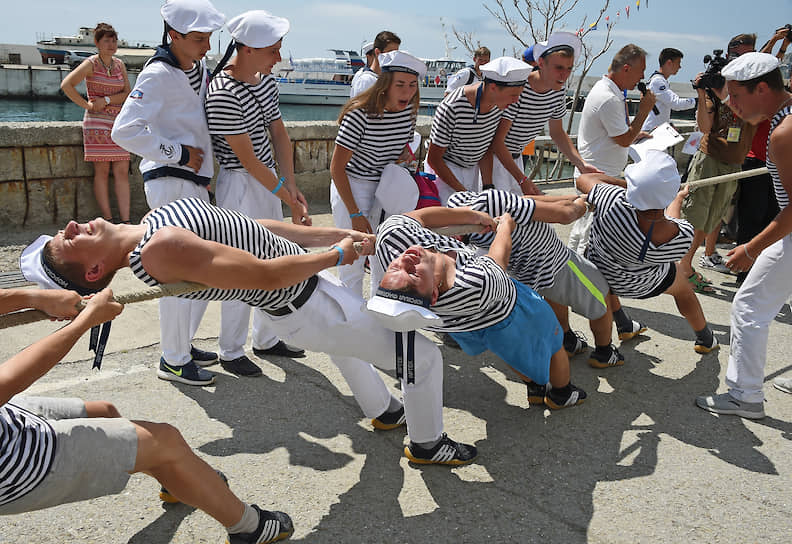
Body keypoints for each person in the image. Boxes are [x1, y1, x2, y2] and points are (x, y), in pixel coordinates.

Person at [23, 197, 472, 466]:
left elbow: (250, 229)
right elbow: (262, 276)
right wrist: (334, 255)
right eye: (69, 240)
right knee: (422, 356)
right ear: (97, 269)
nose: (71, 226)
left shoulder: (153, 223)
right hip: (303, 302)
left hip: (308, 295)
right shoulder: (157, 249)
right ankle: (427, 442)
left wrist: (326, 237)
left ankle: (385, 410)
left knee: (348, 347)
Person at [0, 287, 293, 544]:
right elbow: (7, 381)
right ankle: (248, 529)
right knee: (165, 440)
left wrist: (32, 296)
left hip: (7, 416)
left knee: (105, 413)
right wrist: (85, 321)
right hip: (7, 460)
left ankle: (180, 480)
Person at [371, 205, 587, 417]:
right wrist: (505, 227)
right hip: (508, 312)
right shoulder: (475, 283)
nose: (406, 260)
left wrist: (473, 216)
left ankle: (535, 388)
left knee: (507, 351)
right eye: (414, 274)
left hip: (464, 327)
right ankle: (562, 393)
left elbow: (417, 216)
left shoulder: (393, 241)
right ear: (433, 295)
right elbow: (499, 259)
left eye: (395, 267)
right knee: (554, 345)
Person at [111, 0, 226, 386]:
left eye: (208, 38)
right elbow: (124, 131)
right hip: (169, 182)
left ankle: (182, 345)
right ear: (173, 36)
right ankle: (174, 358)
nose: (206, 46)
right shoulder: (158, 73)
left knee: (200, 271)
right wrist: (177, 154)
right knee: (180, 270)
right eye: (198, 39)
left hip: (192, 185)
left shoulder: (197, 68)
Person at [205, 10, 310, 377]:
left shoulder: (264, 82)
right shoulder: (222, 91)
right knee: (241, 267)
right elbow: (248, 161)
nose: (279, 58)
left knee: (273, 258)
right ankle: (230, 348)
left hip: (267, 184)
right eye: (273, 50)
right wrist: (289, 198)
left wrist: (291, 185)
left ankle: (266, 338)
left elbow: (278, 134)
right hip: (240, 185)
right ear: (248, 49)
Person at [695, 53, 792, 418]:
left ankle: (745, 395)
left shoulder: (784, 132)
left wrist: (750, 248)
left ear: (763, 88)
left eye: (736, 97)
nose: (731, 107)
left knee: (750, 306)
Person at [447, 189, 627, 369]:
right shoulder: (489, 201)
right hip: (557, 262)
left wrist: (571, 198)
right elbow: (565, 214)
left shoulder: (464, 226)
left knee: (555, 296)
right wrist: (584, 205)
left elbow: (524, 201)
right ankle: (604, 352)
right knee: (601, 296)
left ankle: (567, 341)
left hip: (533, 275)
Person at [576, 150, 719, 355]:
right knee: (684, 291)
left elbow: (584, 179)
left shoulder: (611, 200)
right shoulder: (683, 234)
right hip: (647, 283)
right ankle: (705, 338)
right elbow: (671, 219)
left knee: (605, 267)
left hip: (603, 275)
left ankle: (622, 327)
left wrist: (629, 187)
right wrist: (676, 200)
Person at [329, 50, 426, 295]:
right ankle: (349, 324)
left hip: (384, 187)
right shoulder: (359, 114)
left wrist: (403, 155)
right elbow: (337, 168)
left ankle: (375, 318)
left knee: (384, 256)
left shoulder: (408, 113)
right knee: (353, 260)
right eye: (400, 84)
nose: (407, 91)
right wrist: (355, 213)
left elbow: (400, 146)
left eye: (412, 85)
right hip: (353, 184)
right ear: (385, 85)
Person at [675, 34, 759, 289]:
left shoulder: (752, 86)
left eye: (749, 55)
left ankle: (686, 265)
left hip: (733, 162)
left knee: (712, 219)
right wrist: (703, 92)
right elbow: (705, 126)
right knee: (694, 216)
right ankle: (681, 267)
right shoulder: (717, 83)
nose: (744, 60)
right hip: (710, 158)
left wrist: (724, 94)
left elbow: (753, 116)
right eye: (739, 55)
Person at [481, 32, 601, 196]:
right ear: (541, 63)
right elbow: (497, 142)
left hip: (514, 160)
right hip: (492, 161)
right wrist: (522, 179)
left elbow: (557, 133)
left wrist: (580, 164)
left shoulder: (559, 90)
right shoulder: (519, 89)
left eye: (569, 69)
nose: (564, 75)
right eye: (558, 68)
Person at [567, 44, 656, 257]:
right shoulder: (610, 97)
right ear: (626, 69)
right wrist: (643, 112)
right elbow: (624, 140)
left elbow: (620, 133)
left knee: (580, 231)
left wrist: (635, 133)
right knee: (588, 236)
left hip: (594, 172)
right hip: (599, 176)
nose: (643, 76)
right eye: (641, 70)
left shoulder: (607, 90)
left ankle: (568, 277)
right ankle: (580, 282)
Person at [426, 57, 530, 205]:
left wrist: (488, 187)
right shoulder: (451, 107)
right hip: (445, 173)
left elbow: (485, 147)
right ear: (493, 87)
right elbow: (434, 159)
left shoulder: (499, 105)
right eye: (513, 95)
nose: (516, 100)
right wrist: (462, 193)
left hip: (472, 170)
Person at [60, 23, 131, 224]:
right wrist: (87, 105)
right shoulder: (91, 63)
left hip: (118, 123)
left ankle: (125, 221)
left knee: (122, 171)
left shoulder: (119, 64)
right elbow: (67, 85)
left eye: (114, 40)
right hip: (97, 124)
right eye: (107, 40)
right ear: (97, 43)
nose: (111, 44)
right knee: (101, 172)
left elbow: (127, 93)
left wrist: (106, 101)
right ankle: (107, 220)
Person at [640, 48, 696, 133]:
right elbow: (676, 103)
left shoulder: (660, 80)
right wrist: (697, 101)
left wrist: (668, 123)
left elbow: (661, 107)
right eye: (678, 63)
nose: (680, 67)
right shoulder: (658, 81)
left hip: (655, 129)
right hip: (651, 131)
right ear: (669, 63)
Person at [349, 30, 401, 98]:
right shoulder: (366, 81)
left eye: (395, 54)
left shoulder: (383, 79)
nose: (394, 57)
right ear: (377, 53)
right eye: (390, 53)